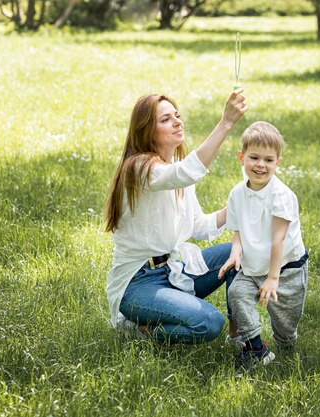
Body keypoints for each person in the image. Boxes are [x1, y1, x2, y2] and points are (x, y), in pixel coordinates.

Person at [103, 89, 248, 344]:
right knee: (209, 323)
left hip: (173, 270)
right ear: (147, 130)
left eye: (177, 115)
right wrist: (226, 123)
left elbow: (199, 226)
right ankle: (140, 331)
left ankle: (240, 337)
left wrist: (238, 205)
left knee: (239, 253)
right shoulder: (138, 168)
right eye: (166, 119)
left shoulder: (176, 173)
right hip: (138, 284)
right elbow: (188, 172)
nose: (177, 122)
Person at [218, 121, 308, 371]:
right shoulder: (237, 193)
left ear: (278, 161)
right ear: (241, 157)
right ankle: (256, 349)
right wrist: (235, 253)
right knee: (236, 295)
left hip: (286, 269)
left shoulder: (281, 195)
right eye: (254, 157)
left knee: (285, 326)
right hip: (252, 267)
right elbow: (238, 231)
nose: (260, 165)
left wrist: (272, 278)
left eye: (268, 160)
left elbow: (278, 239)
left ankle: (286, 348)